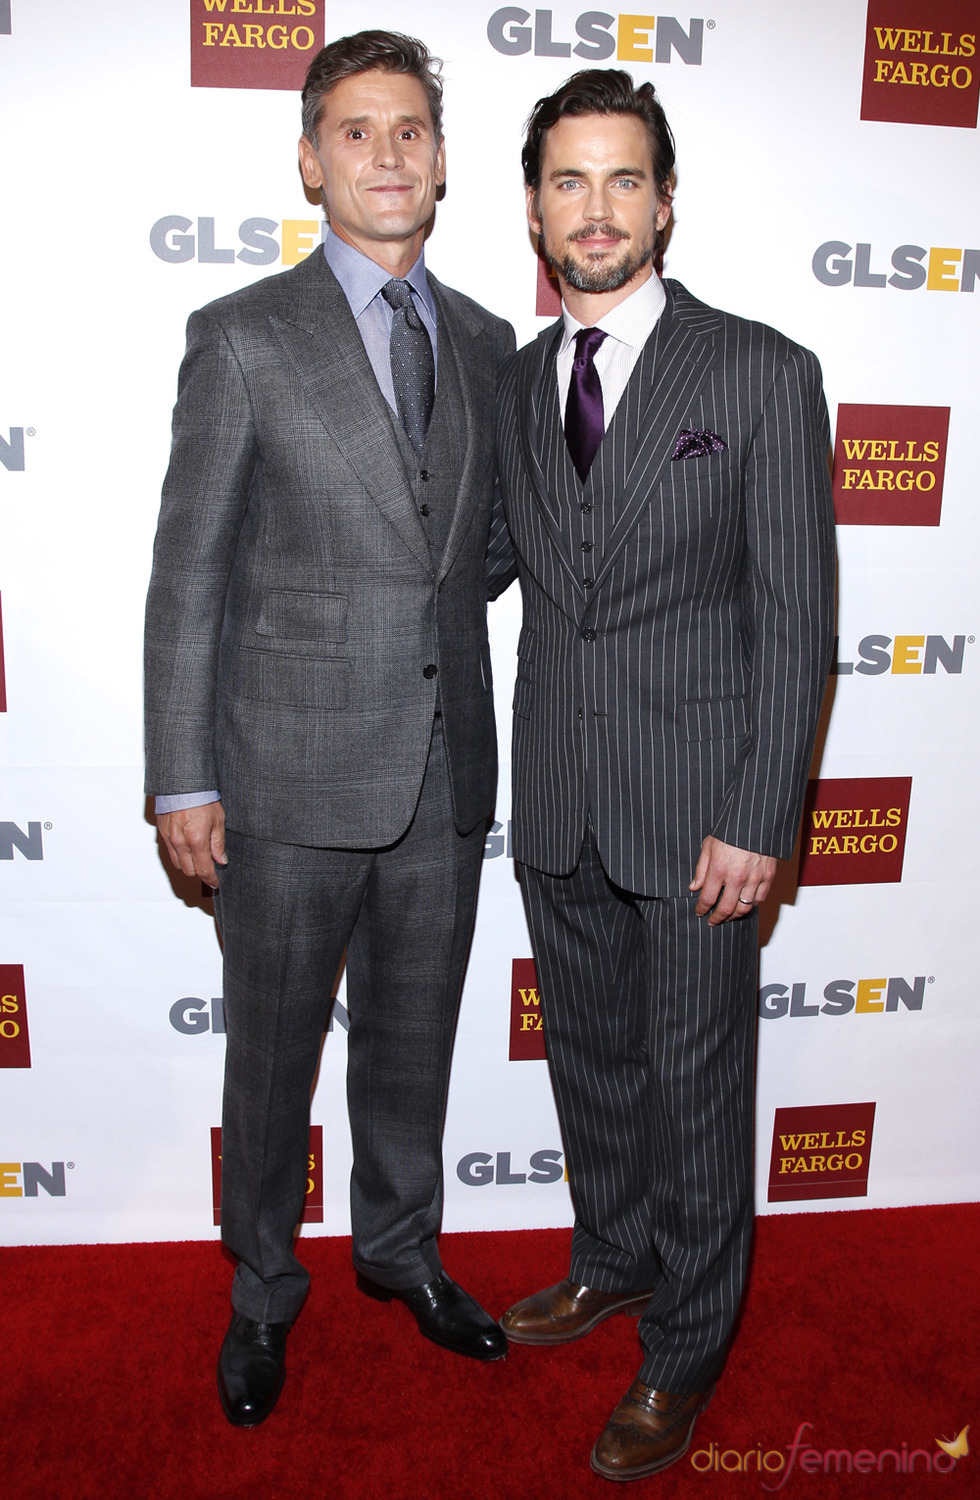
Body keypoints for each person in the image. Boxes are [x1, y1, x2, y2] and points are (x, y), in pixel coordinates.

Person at [144, 29, 514, 1428]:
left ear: (440, 157)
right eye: (356, 131)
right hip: (286, 778)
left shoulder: (484, 340)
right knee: (274, 1054)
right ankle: (258, 1293)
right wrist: (182, 770)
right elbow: (190, 569)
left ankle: (402, 1253)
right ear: (310, 160)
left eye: (410, 129)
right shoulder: (242, 337)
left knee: (414, 1046)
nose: (386, 155)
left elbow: (476, 554)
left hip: (443, 773)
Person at [487, 69, 835, 1480]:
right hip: (559, 796)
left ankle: (687, 1346)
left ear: (666, 201)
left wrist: (762, 819)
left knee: (693, 1087)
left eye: (624, 178)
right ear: (532, 207)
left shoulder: (759, 370)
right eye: (569, 180)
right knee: (592, 1066)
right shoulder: (518, 382)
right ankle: (615, 1257)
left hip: (701, 817)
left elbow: (796, 619)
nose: (597, 208)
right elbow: (499, 563)